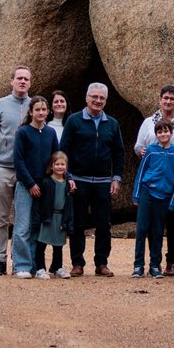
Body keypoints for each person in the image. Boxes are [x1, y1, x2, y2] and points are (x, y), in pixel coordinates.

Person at [61, 82, 126, 276]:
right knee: (78, 224)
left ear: (105, 101)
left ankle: (101, 263)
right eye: (94, 97)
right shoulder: (74, 121)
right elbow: (64, 149)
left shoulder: (112, 124)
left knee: (103, 225)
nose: (98, 101)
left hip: (103, 182)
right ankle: (77, 263)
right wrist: (68, 176)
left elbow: (119, 152)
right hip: (78, 180)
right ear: (87, 98)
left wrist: (117, 178)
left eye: (102, 98)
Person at [133, 86, 174, 275]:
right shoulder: (149, 122)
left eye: (172, 98)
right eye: (165, 98)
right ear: (160, 100)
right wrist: (144, 152)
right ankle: (148, 264)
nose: (168, 101)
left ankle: (170, 261)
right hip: (152, 182)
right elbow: (139, 146)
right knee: (149, 227)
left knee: (173, 224)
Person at [0, 65, 33, 277]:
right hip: (3, 168)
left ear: (30, 83)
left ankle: (20, 260)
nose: (22, 82)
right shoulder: (0, 104)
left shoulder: (35, 105)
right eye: (19, 78)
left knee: (24, 218)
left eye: (26, 79)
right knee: (1, 217)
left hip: (26, 171)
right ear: (11, 81)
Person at [11, 95, 58, 279]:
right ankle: (21, 264)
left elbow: (56, 156)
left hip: (44, 186)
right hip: (26, 185)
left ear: (48, 112)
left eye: (44, 109)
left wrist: (64, 177)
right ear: (31, 112)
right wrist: (30, 183)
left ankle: (34, 265)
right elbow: (18, 160)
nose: (41, 113)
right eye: (37, 109)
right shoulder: (23, 132)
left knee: (37, 227)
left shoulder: (50, 133)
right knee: (22, 226)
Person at [33, 151, 74, 276]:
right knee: (41, 244)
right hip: (48, 217)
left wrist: (69, 222)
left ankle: (57, 267)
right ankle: (40, 268)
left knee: (58, 245)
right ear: (51, 166)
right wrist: (37, 219)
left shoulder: (68, 184)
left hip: (61, 217)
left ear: (66, 166)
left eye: (62, 164)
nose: (60, 167)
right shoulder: (46, 182)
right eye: (57, 164)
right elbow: (39, 203)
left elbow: (69, 204)